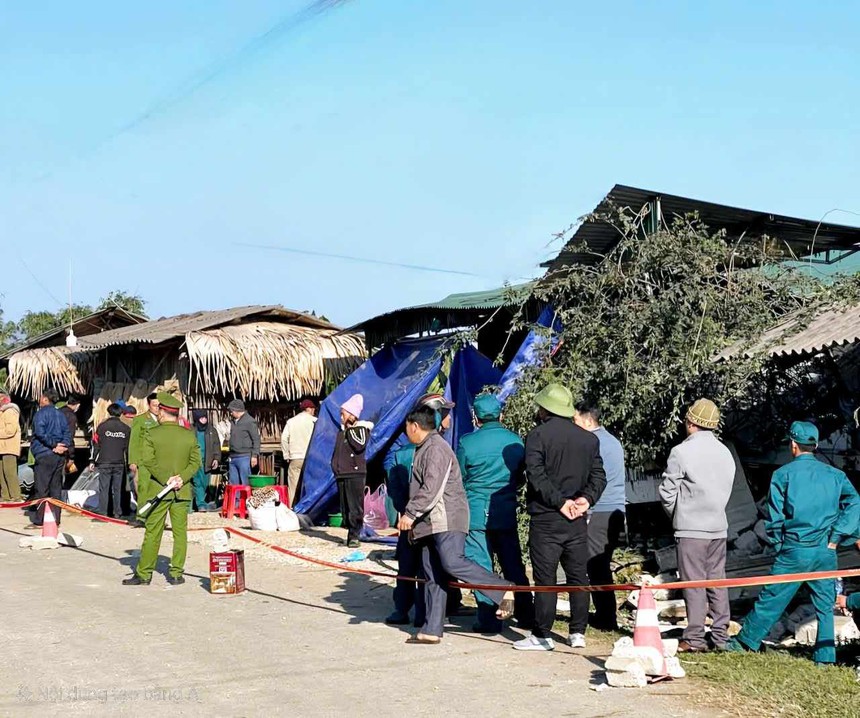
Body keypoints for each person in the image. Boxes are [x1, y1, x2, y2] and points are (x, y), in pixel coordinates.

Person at [728, 421, 860, 664]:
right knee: (825, 604)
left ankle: (745, 641)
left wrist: (779, 545)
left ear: (793, 445)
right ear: (816, 445)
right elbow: (855, 502)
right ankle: (825, 658)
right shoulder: (836, 476)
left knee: (773, 596)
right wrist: (837, 535)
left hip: (794, 549)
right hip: (825, 550)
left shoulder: (782, 475)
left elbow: (775, 516)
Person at [398, 404, 516, 645]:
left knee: (452, 561)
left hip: (447, 518)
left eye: (406, 427)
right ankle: (432, 628)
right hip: (428, 523)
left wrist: (410, 513)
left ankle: (501, 588)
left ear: (415, 426)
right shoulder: (423, 448)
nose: (405, 432)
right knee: (433, 575)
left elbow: (432, 487)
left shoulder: (436, 448)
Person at [514, 383, 606, 652]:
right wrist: (585, 499)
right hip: (577, 517)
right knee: (579, 575)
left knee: (546, 578)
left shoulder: (536, 436)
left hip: (546, 516)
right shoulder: (589, 439)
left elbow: (536, 476)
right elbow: (599, 477)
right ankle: (578, 632)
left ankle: (542, 633)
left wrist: (559, 502)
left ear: (545, 409)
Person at [659, 398, 735, 653]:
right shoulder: (725, 452)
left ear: (690, 423)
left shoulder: (681, 452)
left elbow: (668, 492)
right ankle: (721, 636)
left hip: (691, 529)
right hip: (718, 526)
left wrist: (677, 515)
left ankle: (693, 638)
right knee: (717, 581)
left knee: (693, 583)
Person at [458, 393, 534, 633]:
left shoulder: (467, 443)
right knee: (513, 564)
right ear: (501, 414)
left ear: (475, 417)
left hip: (476, 512)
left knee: (480, 565)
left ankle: (489, 618)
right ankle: (526, 614)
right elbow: (522, 476)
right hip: (505, 509)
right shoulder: (515, 441)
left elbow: (459, 477)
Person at [384, 393, 456, 627]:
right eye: (445, 413)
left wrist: (404, 514)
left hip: (409, 518)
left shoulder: (410, 451)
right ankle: (424, 612)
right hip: (426, 519)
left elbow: (394, 492)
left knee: (408, 566)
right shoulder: (435, 449)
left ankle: (402, 609)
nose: (448, 419)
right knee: (430, 567)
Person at [123, 393, 201, 586]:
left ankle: (144, 573)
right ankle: (176, 573)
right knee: (180, 533)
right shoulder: (189, 435)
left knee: (153, 532)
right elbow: (195, 462)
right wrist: (181, 478)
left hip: (159, 490)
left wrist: (167, 479)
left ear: (163, 413)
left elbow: (147, 461)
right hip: (181, 491)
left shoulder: (152, 433)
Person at [574, 402, 627, 631]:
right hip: (613, 509)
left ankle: (606, 617)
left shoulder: (593, 443)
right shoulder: (612, 441)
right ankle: (605, 613)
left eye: (575, 420)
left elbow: (587, 477)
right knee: (599, 563)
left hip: (601, 509)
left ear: (587, 421)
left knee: (596, 564)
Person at [331, 394, 372, 548]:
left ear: (353, 414)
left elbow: (359, 445)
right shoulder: (341, 433)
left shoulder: (360, 429)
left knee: (355, 506)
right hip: (342, 473)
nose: (341, 416)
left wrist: (350, 428)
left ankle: (355, 534)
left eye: (344, 413)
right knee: (345, 506)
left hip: (355, 473)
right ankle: (349, 533)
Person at [28, 389, 71, 528]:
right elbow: (68, 432)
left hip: (44, 453)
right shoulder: (61, 415)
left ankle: (40, 519)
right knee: (55, 488)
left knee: (42, 488)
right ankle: (55, 519)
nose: (39, 400)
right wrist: (63, 446)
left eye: (41, 397)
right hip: (59, 456)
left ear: (45, 399)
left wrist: (53, 445)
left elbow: (40, 433)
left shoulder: (40, 414)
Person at [91, 403, 131, 518]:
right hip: (119, 462)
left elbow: (96, 444)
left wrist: (92, 460)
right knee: (117, 489)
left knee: (104, 488)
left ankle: (103, 512)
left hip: (104, 461)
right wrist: (129, 463)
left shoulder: (102, 427)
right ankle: (117, 512)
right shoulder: (126, 429)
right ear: (120, 413)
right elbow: (128, 448)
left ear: (109, 412)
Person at [128, 393, 160, 528]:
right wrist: (133, 461)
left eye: (159, 405)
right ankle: (141, 516)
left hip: (160, 461)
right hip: (144, 461)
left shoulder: (165, 420)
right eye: (154, 405)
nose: (157, 408)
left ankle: (156, 516)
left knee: (159, 490)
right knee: (143, 488)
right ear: (148, 405)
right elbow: (134, 441)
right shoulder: (140, 420)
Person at [280, 399, 317, 505]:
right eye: (313, 409)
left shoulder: (291, 421)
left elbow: (284, 438)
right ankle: (308, 507)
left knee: (293, 485)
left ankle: (292, 507)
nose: (314, 411)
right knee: (309, 484)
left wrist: (286, 454)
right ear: (309, 409)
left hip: (295, 457)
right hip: (310, 458)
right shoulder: (315, 421)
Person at [191, 409, 221, 512]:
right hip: (195, 461)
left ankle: (200, 502)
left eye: (205, 417)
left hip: (207, 461)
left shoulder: (211, 430)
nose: (204, 420)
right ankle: (201, 505)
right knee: (197, 482)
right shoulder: (191, 430)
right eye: (201, 418)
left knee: (205, 483)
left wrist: (216, 459)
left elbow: (216, 445)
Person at [228, 399, 260, 487]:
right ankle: (236, 500)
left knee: (245, 482)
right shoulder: (233, 422)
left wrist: (254, 455)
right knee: (233, 483)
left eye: (232, 411)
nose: (231, 413)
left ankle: (245, 499)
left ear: (237, 410)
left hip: (244, 456)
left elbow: (256, 439)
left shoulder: (249, 421)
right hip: (233, 456)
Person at [0, 392, 23, 503]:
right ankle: (5, 496)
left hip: (9, 447)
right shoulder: (2, 412)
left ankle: (16, 496)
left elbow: (10, 430)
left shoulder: (10, 411)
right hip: (2, 447)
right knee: (1, 473)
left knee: (9, 472)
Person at [59, 395, 81, 471]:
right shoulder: (71, 416)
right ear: (77, 405)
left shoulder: (57, 412)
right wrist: (71, 456)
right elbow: (69, 436)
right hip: (63, 450)